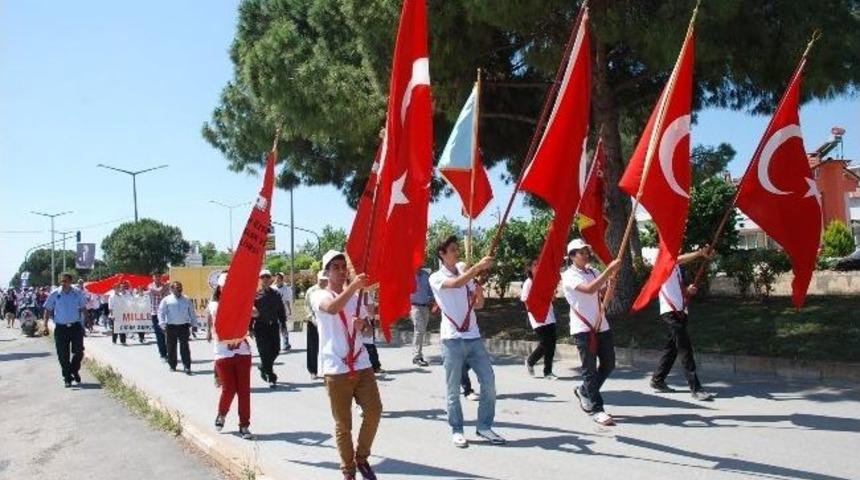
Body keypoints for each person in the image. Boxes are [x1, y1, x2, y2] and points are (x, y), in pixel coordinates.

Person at [310, 250, 381, 480]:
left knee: (374, 411)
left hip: (361, 362)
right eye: (336, 268)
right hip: (336, 368)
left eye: (343, 267)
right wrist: (353, 287)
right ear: (327, 272)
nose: (341, 271)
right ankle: (348, 469)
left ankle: (361, 457)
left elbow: (369, 330)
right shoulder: (319, 294)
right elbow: (332, 308)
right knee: (344, 424)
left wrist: (363, 326)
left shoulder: (356, 297)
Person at [430, 235, 504, 448]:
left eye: (456, 249)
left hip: (473, 336)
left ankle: (484, 426)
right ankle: (457, 429)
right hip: (452, 340)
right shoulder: (435, 277)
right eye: (452, 249)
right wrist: (477, 268)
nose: (456, 252)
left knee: (488, 382)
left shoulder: (466, 274)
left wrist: (478, 287)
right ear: (442, 254)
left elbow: (479, 305)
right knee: (453, 388)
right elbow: (454, 284)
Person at [562, 238, 621, 426]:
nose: (586, 254)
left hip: (601, 324)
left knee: (609, 363)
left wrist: (611, 285)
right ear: (572, 256)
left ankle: (584, 391)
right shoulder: (569, 275)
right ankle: (597, 409)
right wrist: (608, 270)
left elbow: (604, 295)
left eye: (586, 251)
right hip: (583, 328)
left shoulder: (594, 271)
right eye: (581, 252)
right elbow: (589, 289)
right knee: (589, 368)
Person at [650, 246, 716, 401]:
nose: (677, 247)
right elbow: (675, 259)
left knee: (671, 348)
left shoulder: (677, 268)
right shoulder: (662, 260)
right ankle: (696, 388)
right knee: (685, 348)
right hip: (670, 312)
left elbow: (677, 289)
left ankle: (658, 380)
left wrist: (688, 291)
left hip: (680, 311)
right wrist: (699, 253)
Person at [206, 273, 254, 439]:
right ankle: (222, 413)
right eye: (227, 287)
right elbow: (221, 318)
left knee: (244, 391)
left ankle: (244, 425)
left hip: (242, 350)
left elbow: (254, 312)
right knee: (229, 389)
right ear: (220, 288)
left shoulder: (239, 302)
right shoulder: (214, 305)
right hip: (223, 351)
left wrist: (245, 301)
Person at [43, 273, 87, 387]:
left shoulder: (77, 292)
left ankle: (74, 369)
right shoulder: (55, 293)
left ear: (71, 281)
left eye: (66, 281)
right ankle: (67, 378)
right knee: (63, 354)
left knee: (79, 352)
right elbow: (47, 309)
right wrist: (45, 325)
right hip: (61, 328)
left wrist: (88, 321)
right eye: (62, 281)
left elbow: (83, 307)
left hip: (75, 327)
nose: (63, 283)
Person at [521, 258, 559, 380]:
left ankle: (548, 372)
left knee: (551, 344)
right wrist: (532, 312)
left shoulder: (544, 281)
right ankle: (530, 361)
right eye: (535, 265)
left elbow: (552, 298)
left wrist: (553, 294)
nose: (538, 267)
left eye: (539, 264)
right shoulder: (528, 283)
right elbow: (526, 300)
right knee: (545, 342)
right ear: (530, 268)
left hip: (549, 315)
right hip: (537, 317)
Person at [252, 269, 287, 388]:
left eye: (267, 277)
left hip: (273, 326)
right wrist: (249, 328)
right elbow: (250, 312)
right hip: (260, 327)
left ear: (271, 279)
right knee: (264, 352)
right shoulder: (255, 295)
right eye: (263, 277)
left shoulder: (276, 294)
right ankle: (270, 376)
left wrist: (283, 325)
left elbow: (281, 311)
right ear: (260, 279)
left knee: (276, 350)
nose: (266, 279)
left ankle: (263, 366)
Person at [158, 281, 197, 375]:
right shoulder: (166, 300)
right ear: (171, 289)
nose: (179, 288)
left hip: (184, 326)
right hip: (171, 326)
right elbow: (161, 313)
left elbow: (192, 312)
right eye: (177, 287)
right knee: (171, 346)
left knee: (185, 346)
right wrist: (162, 324)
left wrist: (194, 324)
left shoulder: (186, 299)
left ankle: (187, 366)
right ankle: (172, 365)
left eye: (180, 286)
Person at [304, 271, 328, 379]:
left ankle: (326, 369)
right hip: (314, 322)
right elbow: (307, 307)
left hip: (327, 322)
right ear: (317, 280)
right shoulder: (311, 291)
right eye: (321, 280)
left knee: (326, 346)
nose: (323, 282)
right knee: (313, 346)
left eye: (325, 280)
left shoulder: (329, 290)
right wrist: (314, 321)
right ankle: (312, 370)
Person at [409, 268, 433, 367]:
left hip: (425, 306)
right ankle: (417, 356)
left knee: (422, 331)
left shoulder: (426, 275)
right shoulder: (409, 275)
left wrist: (431, 298)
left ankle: (418, 353)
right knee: (419, 329)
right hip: (414, 306)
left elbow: (430, 289)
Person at [148, 274, 169, 361]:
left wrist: (166, 286)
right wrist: (165, 287)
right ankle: (163, 354)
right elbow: (158, 292)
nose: (157, 278)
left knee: (168, 334)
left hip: (166, 313)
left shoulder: (165, 285)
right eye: (155, 276)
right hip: (155, 314)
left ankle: (169, 352)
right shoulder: (150, 286)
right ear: (153, 278)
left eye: (158, 276)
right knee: (159, 335)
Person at [274, 272, 293, 352]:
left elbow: (287, 300)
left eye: (279, 278)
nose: (277, 280)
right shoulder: (273, 288)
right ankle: (275, 345)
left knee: (283, 327)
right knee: (275, 328)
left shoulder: (286, 288)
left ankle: (286, 343)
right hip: (274, 310)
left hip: (282, 310)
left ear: (282, 280)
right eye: (276, 278)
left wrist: (289, 310)